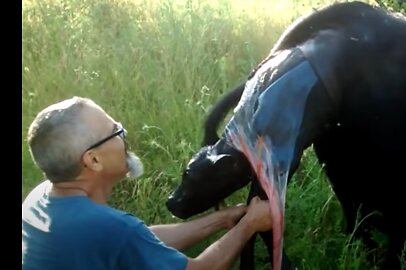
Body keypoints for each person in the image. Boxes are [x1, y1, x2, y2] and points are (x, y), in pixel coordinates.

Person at [22, 96, 272, 270]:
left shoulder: (40, 198)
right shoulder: (109, 228)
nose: (124, 135)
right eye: (116, 131)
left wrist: (223, 219)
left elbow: (139, 240)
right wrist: (249, 225)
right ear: (94, 160)